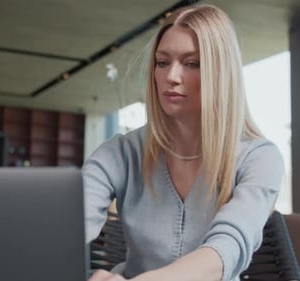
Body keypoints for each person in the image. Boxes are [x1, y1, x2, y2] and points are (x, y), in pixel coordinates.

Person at [82, 4, 284, 281]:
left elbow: (223, 253)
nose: (171, 77)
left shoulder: (259, 158)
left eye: (192, 64)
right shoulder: (120, 153)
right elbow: (69, 227)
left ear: (221, 74)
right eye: (162, 62)